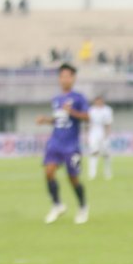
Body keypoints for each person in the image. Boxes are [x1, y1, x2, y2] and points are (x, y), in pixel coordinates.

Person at [36, 63, 89, 225]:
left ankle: (82, 207)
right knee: (49, 171)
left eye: (68, 76)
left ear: (73, 78)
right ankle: (57, 205)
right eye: (62, 76)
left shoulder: (79, 98)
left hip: (72, 145)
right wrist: (46, 120)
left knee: (73, 178)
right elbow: (59, 119)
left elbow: (87, 117)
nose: (64, 79)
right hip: (55, 142)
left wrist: (72, 112)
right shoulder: (56, 99)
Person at [86, 94, 114, 180]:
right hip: (93, 132)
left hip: (103, 132)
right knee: (93, 152)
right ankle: (92, 174)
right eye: (97, 100)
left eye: (100, 100)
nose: (98, 102)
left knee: (106, 154)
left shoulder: (107, 110)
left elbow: (108, 124)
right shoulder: (91, 110)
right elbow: (87, 124)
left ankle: (107, 173)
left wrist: (107, 135)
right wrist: (87, 135)